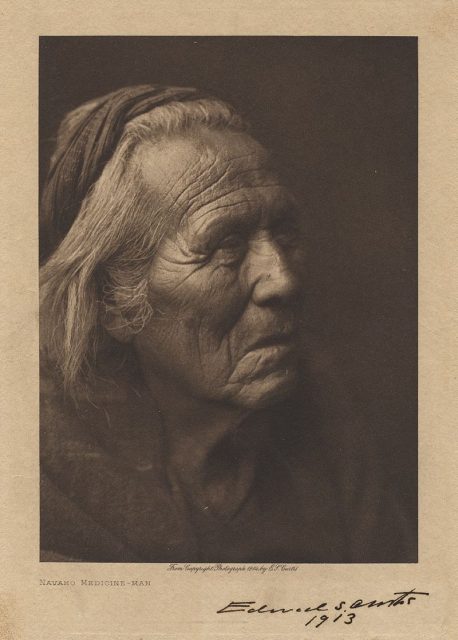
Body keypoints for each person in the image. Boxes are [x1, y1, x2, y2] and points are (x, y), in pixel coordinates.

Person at [40, 84, 414, 562]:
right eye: (225, 245)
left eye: (284, 230)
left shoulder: (322, 408)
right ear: (111, 298)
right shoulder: (32, 474)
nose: (283, 280)